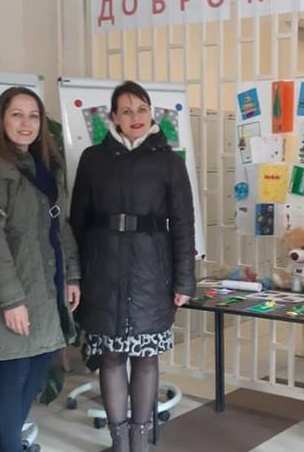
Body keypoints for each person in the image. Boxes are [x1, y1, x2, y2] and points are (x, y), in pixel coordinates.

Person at [70, 80, 196, 452]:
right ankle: (119, 440)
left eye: (141, 109)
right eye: (126, 111)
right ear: (113, 117)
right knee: (110, 357)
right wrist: (75, 275)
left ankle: (140, 439)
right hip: (102, 271)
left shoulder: (169, 161)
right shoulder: (93, 159)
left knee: (145, 356)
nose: (135, 117)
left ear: (151, 113)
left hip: (151, 272)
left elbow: (184, 224)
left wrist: (184, 279)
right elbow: (77, 222)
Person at [0, 87, 81, 452]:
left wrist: (72, 275)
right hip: (13, 288)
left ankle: (8, 444)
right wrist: (11, 301)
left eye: (33, 116)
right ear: (1, 119)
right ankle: (11, 446)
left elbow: (62, 227)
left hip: (48, 283)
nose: (26, 123)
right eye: (17, 114)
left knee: (41, 360)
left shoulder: (44, 168)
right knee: (14, 368)